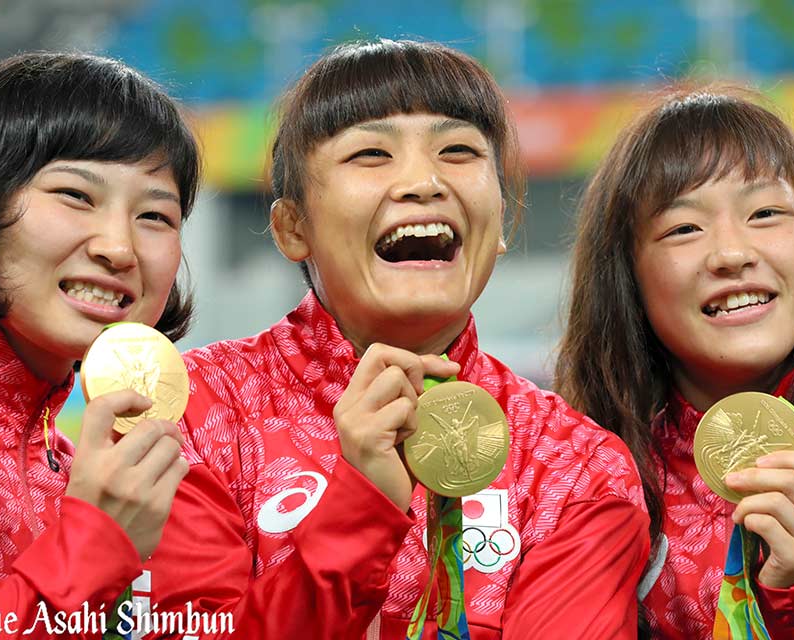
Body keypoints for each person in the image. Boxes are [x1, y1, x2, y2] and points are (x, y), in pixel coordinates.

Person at [146, 38, 650, 639]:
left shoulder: (576, 467)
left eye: (458, 150)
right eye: (371, 154)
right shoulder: (191, 413)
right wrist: (362, 509)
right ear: (292, 227)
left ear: (503, 221)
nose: (423, 182)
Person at [554, 85, 794, 638]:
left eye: (766, 213)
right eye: (684, 228)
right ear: (627, 278)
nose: (731, 253)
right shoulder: (581, 482)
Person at [0, 52, 198, 638]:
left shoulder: (84, 466)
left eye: (154, 216)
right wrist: (96, 544)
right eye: (75, 195)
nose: (118, 249)